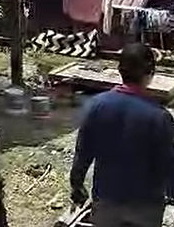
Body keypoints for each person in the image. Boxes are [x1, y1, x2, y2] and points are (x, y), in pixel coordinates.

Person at [70, 43, 174, 226]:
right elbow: (168, 163)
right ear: (150, 73)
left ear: (120, 71)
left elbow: (83, 151)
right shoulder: (160, 117)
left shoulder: (96, 106)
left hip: (106, 203)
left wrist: (77, 184)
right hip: (145, 208)